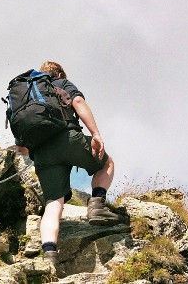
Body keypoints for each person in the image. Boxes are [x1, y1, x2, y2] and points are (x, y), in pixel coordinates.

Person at [15, 61, 120, 277]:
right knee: (107, 164)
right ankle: (97, 205)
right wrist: (96, 134)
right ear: (59, 73)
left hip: (42, 154)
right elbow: (78, 101)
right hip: (68, 138)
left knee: (53, 203)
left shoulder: (23, 96)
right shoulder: (60, 82)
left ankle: (49, 257)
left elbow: (22, 148)